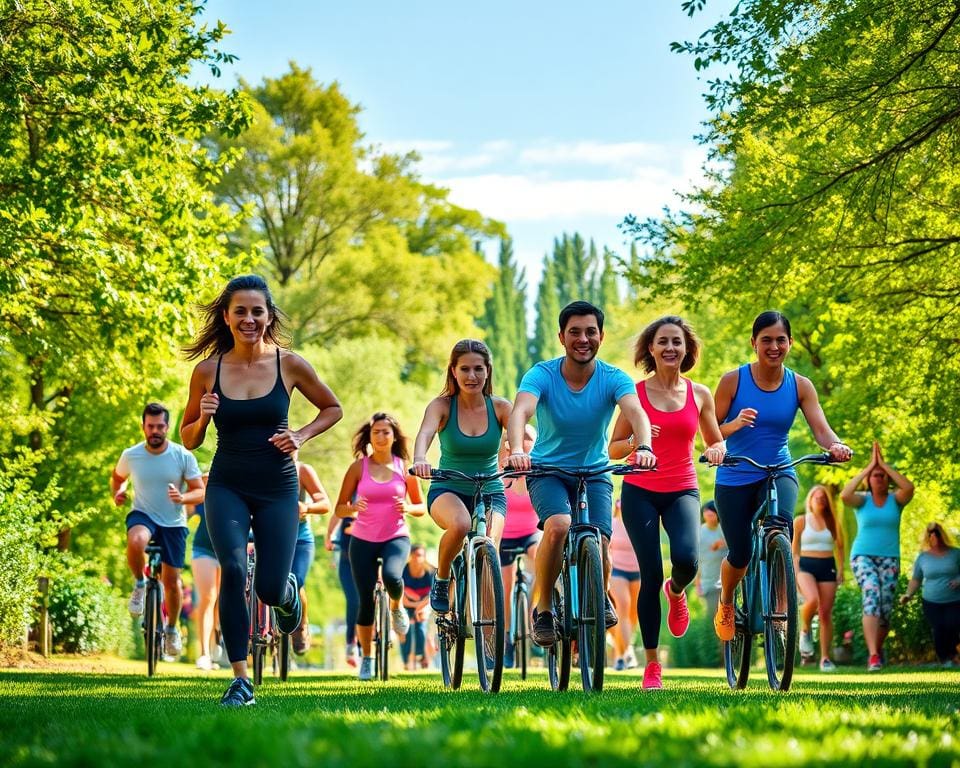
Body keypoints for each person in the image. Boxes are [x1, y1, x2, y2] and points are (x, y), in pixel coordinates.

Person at [180, 274, 342, 706]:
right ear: (226, 317)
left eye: (257, 311)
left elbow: (333, 407)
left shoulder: (289, 364)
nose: (249, 319)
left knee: (269, 589)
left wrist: (302, 436)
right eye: (241, 311)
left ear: (269, 316)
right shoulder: (207, 370)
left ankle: (287, 596)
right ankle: (240, 680)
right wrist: (203, 415)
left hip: (278, 486)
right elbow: (189, 438)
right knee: (232, 569)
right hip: (228, 484)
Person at [507, 300, 657, 649]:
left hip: (595, 471)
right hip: (547, 471)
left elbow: (636, 412)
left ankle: (599, 592)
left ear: (601, 336)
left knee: (601, 543)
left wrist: (645, 446)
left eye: (591, 332)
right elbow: (521, 412)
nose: (583, 339)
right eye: (574, 332)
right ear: (561, 337)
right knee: (558, 525)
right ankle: (544, 609)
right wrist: (517, 449)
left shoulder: (613, 378)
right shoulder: (541, 374)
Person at [713, 310, 852, 645]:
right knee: (741, 553)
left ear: (789, 343)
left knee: (780, 528)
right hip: (734, 474)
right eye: (766, 340)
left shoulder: (800, 385)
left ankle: (780, 609)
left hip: (779, 470)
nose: (774, 346)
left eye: (780, 340)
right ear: (754, 343)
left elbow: (820, 428)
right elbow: (710, 430)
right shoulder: (733, 381)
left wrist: (835, 445)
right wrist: (728, 433)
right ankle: (728, 602)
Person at [609, 315, 726, 690]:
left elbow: (714, 440)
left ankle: (676, 592)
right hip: (639, 490)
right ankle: (652, 664)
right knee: (649, 574)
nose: (671, 348)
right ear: (651, 349)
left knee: (687, 561)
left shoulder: (700, 394)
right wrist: (636, 443)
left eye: (677, 341)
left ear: (687, 349)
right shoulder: (634, 395)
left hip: (682, 489)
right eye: (663, 342)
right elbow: (612, 447)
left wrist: (720, 449)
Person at [411, 339, 511, 614]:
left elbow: (518, 438)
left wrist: (518, 454)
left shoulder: (501, 408)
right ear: (453, 371)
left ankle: (490, 629)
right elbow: (425, 434)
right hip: (448, 487)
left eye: (478, 369)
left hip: (490, 489)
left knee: (490, 545)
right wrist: (420, 459)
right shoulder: (442, 406)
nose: (472, 376)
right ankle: (442, 579)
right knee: (460, 524)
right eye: (464, 369)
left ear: (488, 371)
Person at [335, 412, 425, 681]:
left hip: (396, 536)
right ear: (370, 436)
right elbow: (339, 508)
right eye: (376, 432)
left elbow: (421, 507)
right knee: (364, 601)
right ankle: (366, 659)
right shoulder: (357, 468)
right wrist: (351, 508)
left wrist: (408, 507)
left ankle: (396, 608)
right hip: (362, 539)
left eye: (386, 432)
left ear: (394, 436)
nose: (381, 436)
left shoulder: (404, 468)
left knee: (392, 577)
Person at [111, 402, 204, 660]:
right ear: (143, 427)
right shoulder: (131, 455)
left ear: (167, 427)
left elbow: (200, 490)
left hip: (174, 523)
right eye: (150, 426)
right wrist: (118, 493)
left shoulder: (182, 455)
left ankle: (172, 629)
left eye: (160, 426)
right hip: (143, 514)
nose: (155, 431)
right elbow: (118, 479)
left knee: (172, 582)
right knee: (136, 539)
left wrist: (183, 499)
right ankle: (139, 584)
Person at [840, 440, 914, 670]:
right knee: (871, 593)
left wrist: (883, 464)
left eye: (882, 475)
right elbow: (844, 495)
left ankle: (877, 651)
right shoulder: (863, 501)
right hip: (863, 556)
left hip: (890, 557)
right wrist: (870, 465)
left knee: (885, 607)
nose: (879, 478)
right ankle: (873, 655)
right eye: (875, 475)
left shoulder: (896, 500)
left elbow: (909, 487)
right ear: (868, 480)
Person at [499, 424, 542, 669]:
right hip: (505, 536)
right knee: (504, 588)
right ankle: (506, 640)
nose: (524, 441)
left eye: (529, 437)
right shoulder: (500, 469)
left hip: (530, 534)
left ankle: (534, 610)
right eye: (519, 437)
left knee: (542, 557)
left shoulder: (540, 470)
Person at [792, 484, 844, 671]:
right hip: (806, 566)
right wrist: (795, 572)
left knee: (824, 613)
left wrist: (840, 570)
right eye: (817, 497)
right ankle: (805, 629)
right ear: (810, 501)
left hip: (827, 567)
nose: (820, 500)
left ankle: (825, 659)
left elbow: (840, 546)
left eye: (823, 498)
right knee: (812, 600)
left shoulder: (833, 522)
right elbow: (794, 550)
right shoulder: (801, 521)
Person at [900, 523, 960, 667]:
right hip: (931, 601)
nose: (934, 537)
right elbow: (916, 579)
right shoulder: (923, 557)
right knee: (939, 628)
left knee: (952, 626)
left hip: (954, 600)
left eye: (937, 533)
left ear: (942, 535)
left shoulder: (956, 553)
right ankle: (945, 659)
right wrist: (908, 594)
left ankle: (952, 655)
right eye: (931, 534)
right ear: (927, 537)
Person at [291, 451, 332, 655]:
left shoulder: (302, 470)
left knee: (296, 581)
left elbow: (325, 503)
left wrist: (306, 507)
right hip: (267, 535)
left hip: (299, 538)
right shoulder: (260, 467)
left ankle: (301, 625)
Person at [186, 472, 222, 670]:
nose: (207, 483)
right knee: (207, 598)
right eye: (204, 481)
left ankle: (216, 635)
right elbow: (184, 512)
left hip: (228, 550)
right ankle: (204, 654)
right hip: (203, 549)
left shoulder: (231, 494)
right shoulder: (200, 499)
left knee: (222, 600)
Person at [608, 499, 640, 671]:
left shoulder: (638, 523)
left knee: (633, 614)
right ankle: (628, 651)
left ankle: (619, 655)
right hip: (617, 571)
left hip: (638, 571)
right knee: (623, 605)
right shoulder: (611, 524)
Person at [327, 514, 360, 666]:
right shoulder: (346, 507)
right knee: (354, 601)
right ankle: (351, 643)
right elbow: (337, 517)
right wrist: (329, 536)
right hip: (347, 563)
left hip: (371, 561)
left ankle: (370, 641)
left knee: (368, 601)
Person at [400, 543, 435, 670]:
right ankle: (406, 661)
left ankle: (421, 656)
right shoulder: (403, 570)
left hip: (424, 604)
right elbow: (401, 597)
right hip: (406, 604)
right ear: (410, 556)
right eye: (415, 555)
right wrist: (414, 604)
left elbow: (432, 595)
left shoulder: (430, 572)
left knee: (421, 627)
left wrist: (421, 607)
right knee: (405, 629)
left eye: (420, 555)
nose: (417, 558)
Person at [696, 500, 726, 621]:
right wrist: (698, 583)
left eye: (712, 512)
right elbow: (697, 560)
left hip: (728, 581)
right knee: (714, 616)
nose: (709, 514)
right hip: (708, 582)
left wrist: (723, 544)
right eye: (706, 512)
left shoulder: (725, 529)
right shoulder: (699, 532)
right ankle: (716, 640)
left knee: (728, 615)